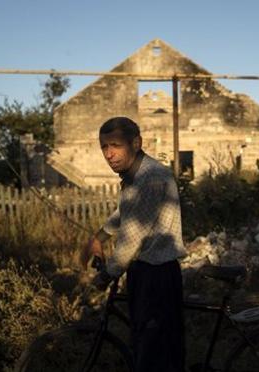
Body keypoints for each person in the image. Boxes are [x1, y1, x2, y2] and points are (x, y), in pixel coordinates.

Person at [80, 116, 187, 372]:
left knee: (154, 353)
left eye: (115, 145)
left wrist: (106, 275)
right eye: (104, 147)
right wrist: (99, 237)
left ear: (136, 143)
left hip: (157, 276)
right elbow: (124, 213)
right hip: (143, 272)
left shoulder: (150, 178)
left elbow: (131, 238)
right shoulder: (134, 176)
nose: (109, 154)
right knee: (148, 344)